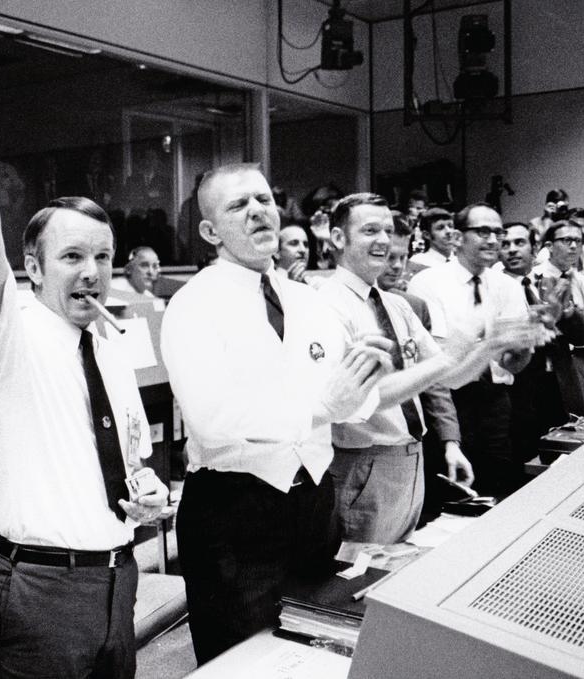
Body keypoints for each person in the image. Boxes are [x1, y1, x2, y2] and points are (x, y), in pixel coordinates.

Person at [0, 27, 169, 678]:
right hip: (40, 590)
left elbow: (128, 456)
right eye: (71, 256)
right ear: (34, 267)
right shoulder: (6, 332)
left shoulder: (109, 342)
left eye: (102, 256)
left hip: (118, 577)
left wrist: (147, 491)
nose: (92, 271)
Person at [160, 164, 393, 664]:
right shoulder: (192, 305)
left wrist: (367, 378)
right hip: (234, 512)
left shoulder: (306, 299)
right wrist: (322, 407)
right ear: (210, 232)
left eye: (263, 200)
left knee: (314, 645)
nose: (257, 211)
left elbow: (350, 400)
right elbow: (211, 420)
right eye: (237, 205)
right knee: (244, 660)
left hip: (315, 503)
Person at [321, 194, 514, 543]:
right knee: (361, 568)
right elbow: (361, 400)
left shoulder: (397, 306)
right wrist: (447, 358)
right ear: (338, 238)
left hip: (411, 457)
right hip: (364, 462)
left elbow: (448, 378)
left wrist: (490, 345)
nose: (383, 240)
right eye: (370, 230)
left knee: (396, 564)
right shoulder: (325, 306)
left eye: (387, 230)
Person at [408, 203, 542, 496]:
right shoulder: (428, 283)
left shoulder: (507, 286)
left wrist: (524, 347)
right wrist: (489, 344)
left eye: (498, 232)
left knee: (498, 484)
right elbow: (438, 362)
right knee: (453, 492)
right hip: (449, 401)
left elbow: (511, 365)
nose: (493, 240)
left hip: (496, 400)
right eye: (483, 232)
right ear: (457, 237)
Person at [377, 214, 472, 514]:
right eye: (389, 257)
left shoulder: (413, 305)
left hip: (418, 442)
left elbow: (434, 380)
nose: (397, 266)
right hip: (373, 447)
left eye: (403, 257)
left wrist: (450, 441)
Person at [501, 224, 584, 463]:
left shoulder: (547, 283)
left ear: (535, 250)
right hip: (519, 391)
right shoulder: (495, 289)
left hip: (559, 385)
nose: (512, 250)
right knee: (527, 462)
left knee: (566, 459)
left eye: (519, 243)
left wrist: (567, 313)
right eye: (505, 244)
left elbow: (583, 337)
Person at [531, 220, 584, 417]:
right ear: (549, 246)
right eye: (567, 240)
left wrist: (576, 330)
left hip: (579, 363)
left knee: (578, 421)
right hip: (540, 367)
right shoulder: (531, 280)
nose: (574, 246)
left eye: (578, 241)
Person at [274, 223, 324, 288]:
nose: (303, 250)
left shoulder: (317, 283)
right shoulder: (268, 283)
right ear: (276, 252)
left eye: (306, 245)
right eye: (294, 243)